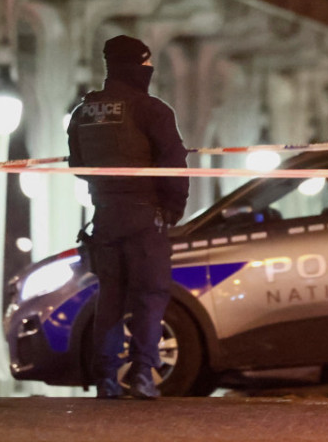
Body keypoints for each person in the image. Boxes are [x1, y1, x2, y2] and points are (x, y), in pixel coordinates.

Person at [67, 35, 189, 400]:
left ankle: (106, 378)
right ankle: (141, 374)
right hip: (144, 217)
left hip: (104, 217)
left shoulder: (83, 112)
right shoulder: (152, 110)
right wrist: (172, 211)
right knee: (150, 297)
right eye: (147, 65)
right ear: (137, 67)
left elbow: (76, 166)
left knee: (111, 299)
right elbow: (174, 165)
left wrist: (107, 190)